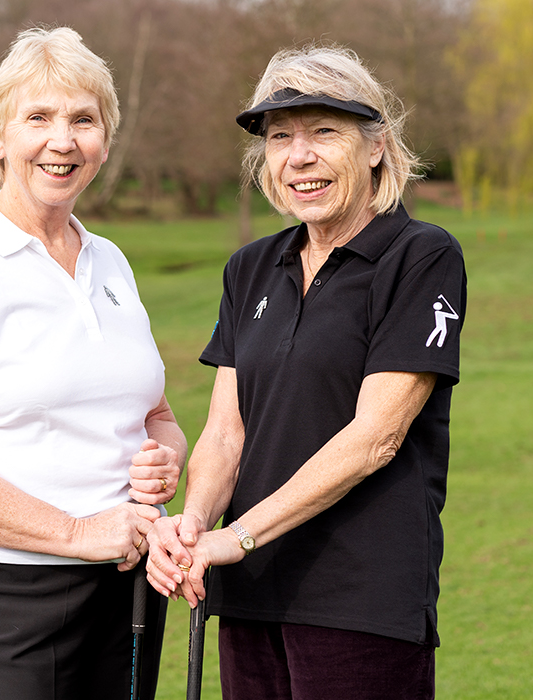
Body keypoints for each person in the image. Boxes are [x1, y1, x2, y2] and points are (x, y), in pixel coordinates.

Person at [147, 45, 466, 700]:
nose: (300, 156)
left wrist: (238, 534)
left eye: (324, 132)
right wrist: (196, 522)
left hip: (361, 602)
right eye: (281, 137)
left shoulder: (421, 257)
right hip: (248, 593)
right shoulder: (250, 268)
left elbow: (376, 435)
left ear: (375, 146)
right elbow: (225, 432)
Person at [0, 26, 186, 700]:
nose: (63, 140)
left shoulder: (110, 260)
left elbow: (155, 414)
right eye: (39, 118)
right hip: (8, 590)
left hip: (128, 578)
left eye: (84, 119)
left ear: (105, 141)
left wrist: (165, 452)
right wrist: (78, 532)